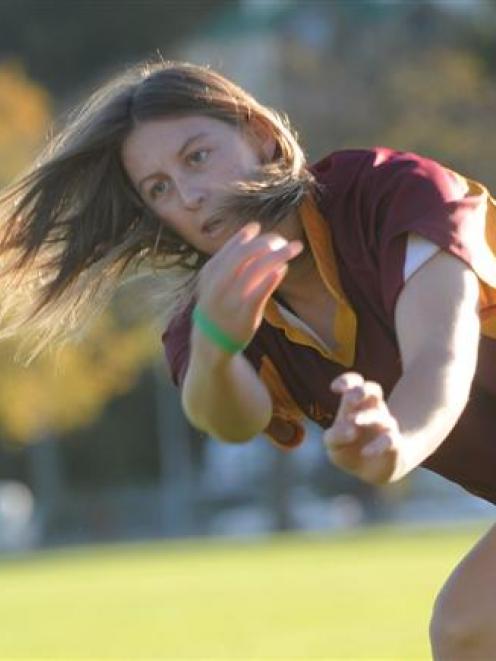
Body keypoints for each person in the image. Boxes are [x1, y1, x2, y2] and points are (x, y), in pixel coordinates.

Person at [1, 59, 495, 658]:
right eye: (158, 189)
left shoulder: (394, 192)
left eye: (197, 156)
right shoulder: (211, 315)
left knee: (467, 629)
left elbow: (441, 359)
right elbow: (228, 418)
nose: (188, 194)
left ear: (260, 135)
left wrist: (397, 442)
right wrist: (217, 342)